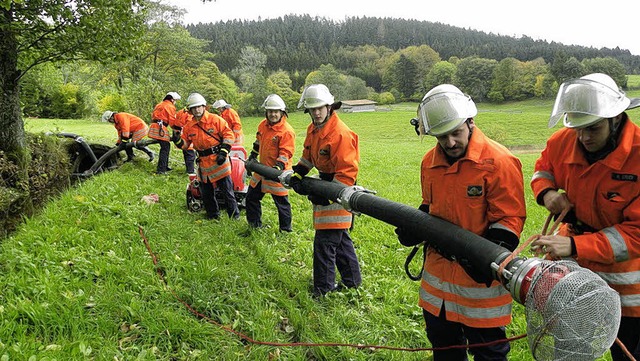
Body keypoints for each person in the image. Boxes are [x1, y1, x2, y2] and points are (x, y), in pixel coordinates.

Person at [396, 84, 526, 361]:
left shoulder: (499, 161)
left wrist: (487, 257)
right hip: (438, 287)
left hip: (480, 288)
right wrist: (415, 226)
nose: (450, 142)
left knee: (489, 353)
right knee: (444, 349)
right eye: (442, 137)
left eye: (456, 133)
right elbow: (430, 207)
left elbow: (510, 217)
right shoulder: (428, 162)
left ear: (470, 122)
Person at [530, 73, 640, 361]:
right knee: (569, 347)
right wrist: (548, 194)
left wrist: (575, 246)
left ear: (615, 119)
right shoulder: (564, 141)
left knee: (627, 350)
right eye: (577, 128)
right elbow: (542, 170)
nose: (583, 137)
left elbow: (637, 234)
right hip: (575, 274)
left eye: (593, 129)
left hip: (629, 287)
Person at [288, 84, 362, 297]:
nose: (317, 112)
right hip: (326, 186)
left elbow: (347, 173)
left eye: (320, 108)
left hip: (339, 188)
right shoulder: (314, 129)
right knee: (339, 238)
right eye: (313, 109)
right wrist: (298, 173)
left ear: (330, 107)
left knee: (325, 242)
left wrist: (329, 197)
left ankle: (323, 289)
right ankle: (352, 281)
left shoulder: (340, 133)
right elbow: (308, 156)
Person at [172, 93, 240, 220]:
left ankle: (234, 216)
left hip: (219, 160)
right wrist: (177, 140)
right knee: (207, 193)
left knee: (227, 192)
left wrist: (223, 152)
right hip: (203, 164)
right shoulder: (189, 126)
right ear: (190, 110)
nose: (197, 110)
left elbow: (229, 135)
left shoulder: (215, 120)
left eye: (199, 107)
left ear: (204, 107)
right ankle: (213, 216)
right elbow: (186, 145)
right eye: (194, 108)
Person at [245, 94, 295, 232]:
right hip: (261, 170)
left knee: (281, 203)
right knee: (251, 198)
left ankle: (285, 230)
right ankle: (254, 226)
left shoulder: (286, 131)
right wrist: (253, 155)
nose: (273, 114)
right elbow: (258, 142)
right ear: (266, 112)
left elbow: (286, 153)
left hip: (278, 172)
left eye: (276, 111)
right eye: (270, 111)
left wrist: (277, 167)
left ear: (282, 112)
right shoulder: (263, 125)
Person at [149, 91, 180, 175]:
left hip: (154, 126)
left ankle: (164, 166)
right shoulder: (170, 106)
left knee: (165, 146)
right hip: (160, 128)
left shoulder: (159, 104)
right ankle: (161, 169)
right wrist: (177, 129)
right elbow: (172, 121)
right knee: (165, 147)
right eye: (175, 100)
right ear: (172, 100)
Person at [172, 107, 196, 174]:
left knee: (186, 152)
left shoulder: (180, 112)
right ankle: (190, 171)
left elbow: (175, 123)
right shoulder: (190, 114)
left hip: (180, 133)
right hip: (188, 134)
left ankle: (189, 169)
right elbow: (191, 124)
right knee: (190, 154)